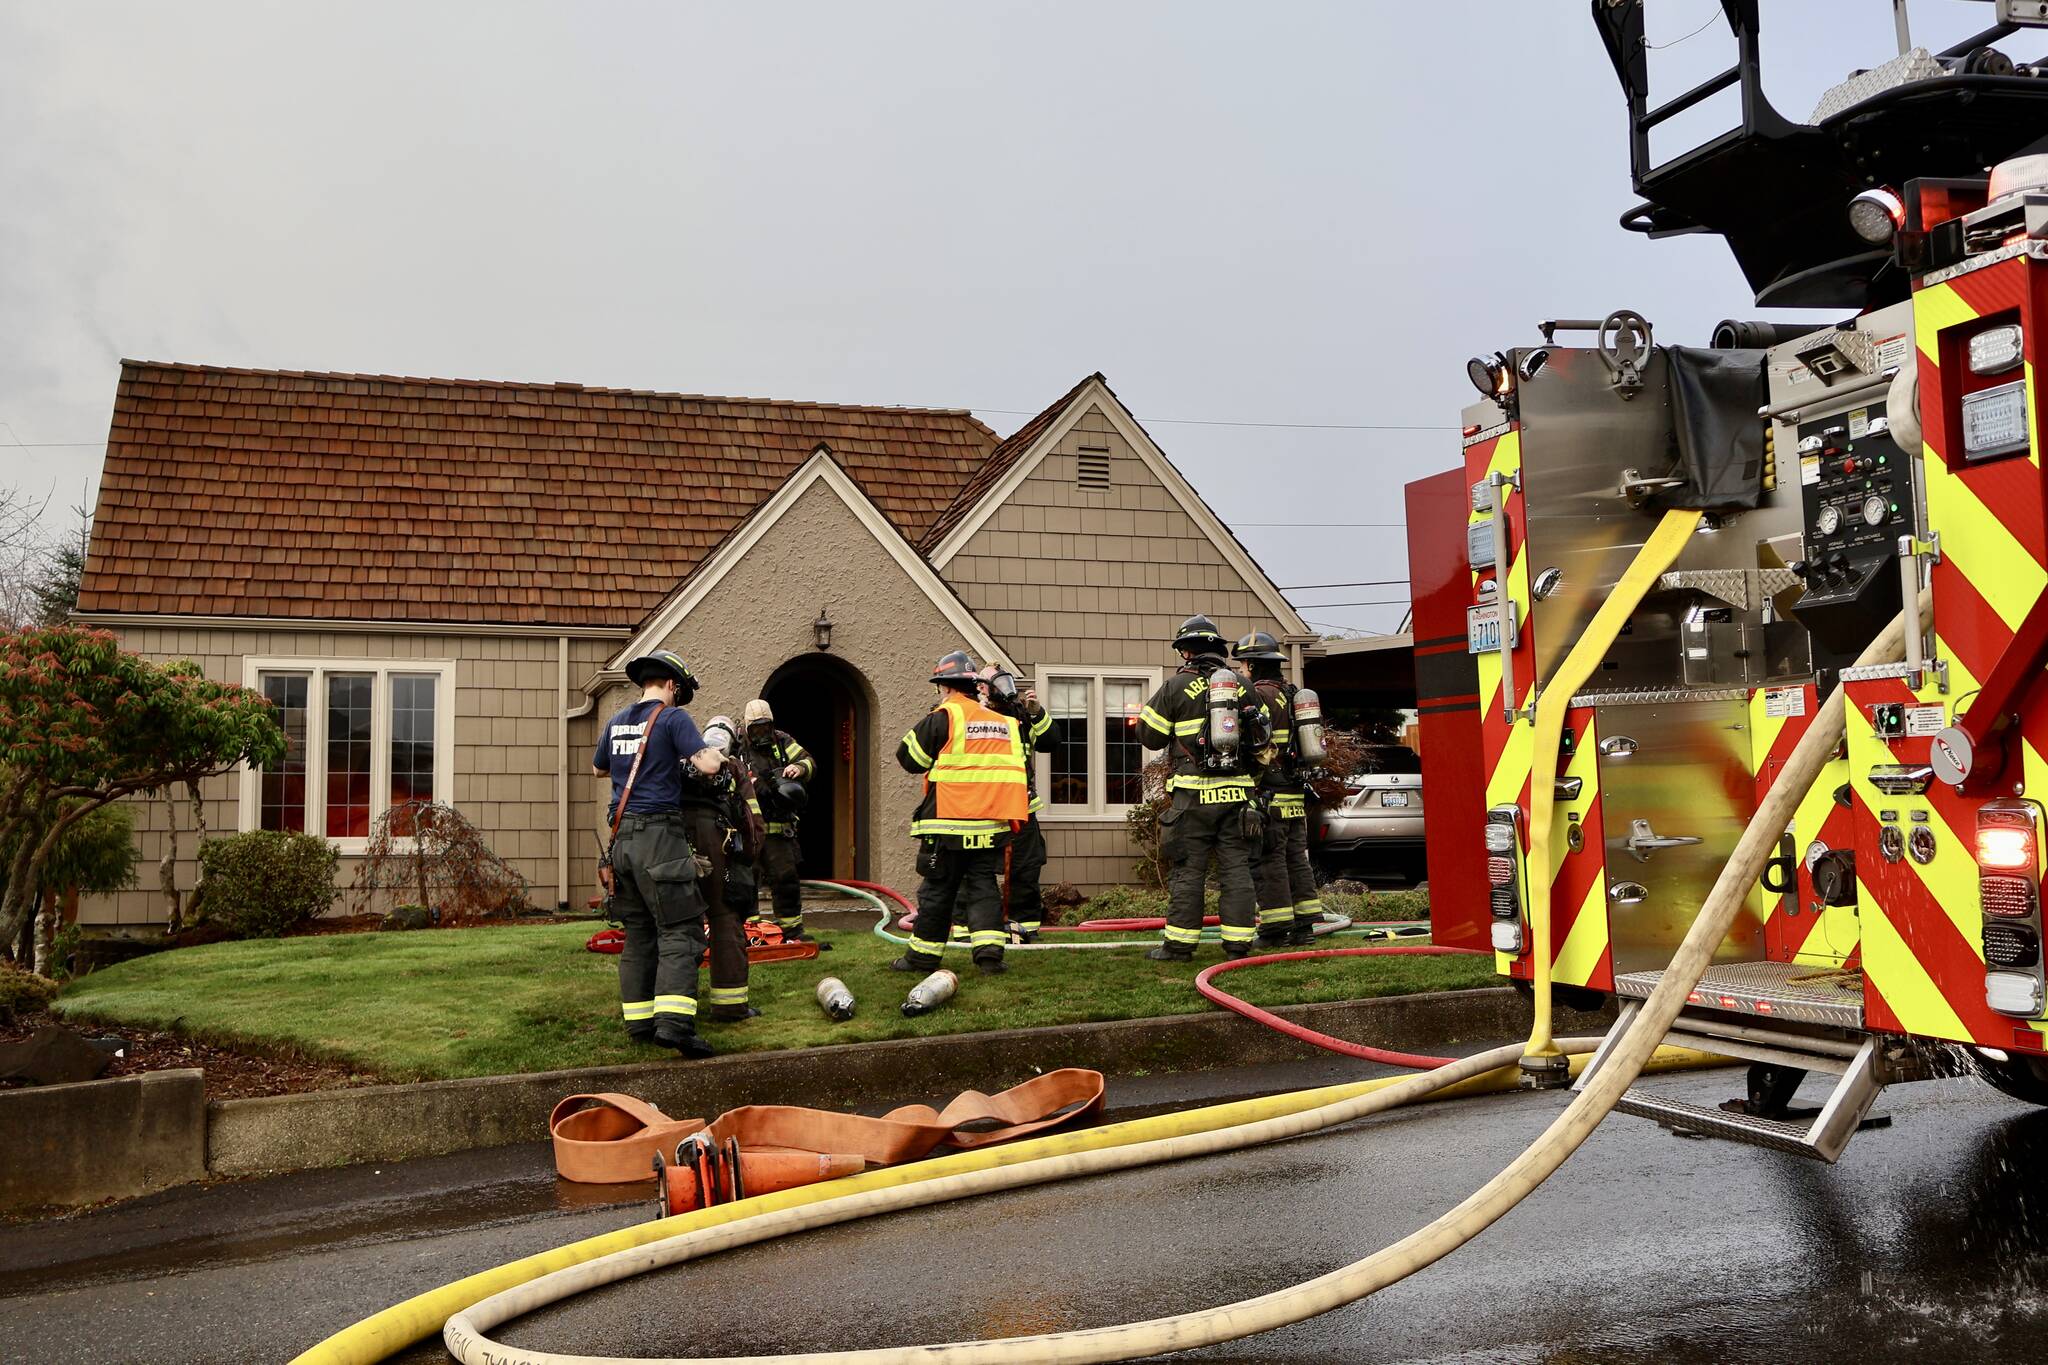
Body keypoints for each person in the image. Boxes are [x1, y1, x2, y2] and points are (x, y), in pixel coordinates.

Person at [592, 649, 724, 1058]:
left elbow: (599, 769)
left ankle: (639, 1022)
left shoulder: (616, 721)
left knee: (640, 933)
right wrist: (719, 754)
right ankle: (675, 1026)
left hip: (622, 839)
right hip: (659, 839)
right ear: (670, 685)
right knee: (680, 930)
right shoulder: (672, 718)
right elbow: (707, 766)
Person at [1137, 615, 1267, 961]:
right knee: (1236, 869)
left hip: (1193, 796)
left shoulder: (1175, 687)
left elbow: (1149, 735)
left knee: (1188, 870)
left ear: (1185, 653)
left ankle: (1179, 947)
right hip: (1239, 796)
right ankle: (1239, 945)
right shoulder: (1244, 686)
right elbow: (1262, 742)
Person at [893, 650, 1029, 975]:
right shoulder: (1003, 724)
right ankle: (990, 958)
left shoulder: (944, 717)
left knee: (939, 890)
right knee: (983, 888)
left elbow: (908, 759)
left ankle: (921, 958)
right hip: (990, 825)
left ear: (946, 686)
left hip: (947, 827)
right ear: (972, 685)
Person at [1235, 631, 1322, 948]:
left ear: (1251, 664)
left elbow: (1252, 747)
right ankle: (1305, 927)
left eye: (1243, 667)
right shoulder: (1290, 693)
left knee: (1269, 861)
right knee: (1296, 859)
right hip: (1294, 794)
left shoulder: (1259, 697)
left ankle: (1275, 929)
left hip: (1269, 795)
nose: (1242, 673)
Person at [685, 715, 769, 1022]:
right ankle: (730, 1006)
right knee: (724, 920)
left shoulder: (684, 761)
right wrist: (748, 857)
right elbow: (751, 818)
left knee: (681, 925)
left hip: (679, 848)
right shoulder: (732, 766)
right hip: (720, 849)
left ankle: (677, 1008)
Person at [969, 664, 1056, 942]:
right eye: (989, 679)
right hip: (985, 810)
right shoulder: (973, 715)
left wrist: (1037, 713)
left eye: (1000, 678)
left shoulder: (1020, 718)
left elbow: (1051, 742)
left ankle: (1026, 929)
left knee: (1026, 869)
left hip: (1021, 808)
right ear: (980, 686)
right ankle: (979, 928)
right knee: (977, 871)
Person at [739, 699, 818, 944]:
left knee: (786, 879)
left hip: (778, 827)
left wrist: (799, 769)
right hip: (748, 828)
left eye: (766, 728)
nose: (762, 734)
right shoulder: (736, 744)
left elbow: (808, 761)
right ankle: (748, 933)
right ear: (747, 727)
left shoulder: (783, 741)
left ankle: (792, 931)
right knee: (745, 881)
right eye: (756, 729)